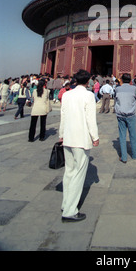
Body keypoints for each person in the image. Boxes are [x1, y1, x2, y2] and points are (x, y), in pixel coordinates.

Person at [59, 69, 99, 222]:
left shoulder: (67, 94)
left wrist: (61, 135)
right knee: (78, 174)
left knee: (68, 172)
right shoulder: (88, 95)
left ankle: (66, 203)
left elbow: (63, 115)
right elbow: (90, 118)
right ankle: (69, 211)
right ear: (88, 81)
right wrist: (95, 137)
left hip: (68, 138)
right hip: (81, 139)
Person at [114, 73, 136, 163]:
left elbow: (115, 99)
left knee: (122, 135)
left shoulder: (117, 89)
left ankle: (124, 157)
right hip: (130, 114)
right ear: (130, 80)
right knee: (133, 134)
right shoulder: (134, 88)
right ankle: (135, 154)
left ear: (121, 80)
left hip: (120, 115)